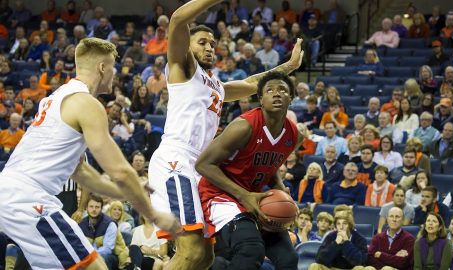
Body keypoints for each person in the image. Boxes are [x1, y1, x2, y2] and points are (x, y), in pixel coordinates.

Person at [0, 37, 180, 269]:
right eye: (113, 68)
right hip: (26, 197)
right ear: (103, 67)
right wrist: (154, 215)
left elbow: (83, 173)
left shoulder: (56, 98)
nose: (114, 74)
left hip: (10, 192)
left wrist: (122, 190)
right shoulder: (87, 103)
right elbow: (120, 170)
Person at [148, 1, 304, 268]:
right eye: (202, 42)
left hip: (200, 169)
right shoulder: (183, 69)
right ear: (188, 46)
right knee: (191, 251)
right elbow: (176, 19)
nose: (209, 47)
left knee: (205, 256)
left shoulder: (217, 86)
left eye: (212, 43)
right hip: (176, 161)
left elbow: (255, 83)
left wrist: (289, 66)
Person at [195, 72, 302, 269]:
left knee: (288, 259)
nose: (276, 94)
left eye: (282, 90)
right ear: (261, 99)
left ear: (291, 99)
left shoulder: (294, 135)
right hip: (220, 195)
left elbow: (272, 164)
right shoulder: (243, 126)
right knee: (250, 249)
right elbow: (203, 165)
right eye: (269, 90)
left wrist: (280, 191)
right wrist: (244, 196)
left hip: (255, 197)